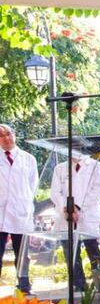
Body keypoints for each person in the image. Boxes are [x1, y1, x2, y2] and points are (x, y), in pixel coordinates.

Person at [50, 154, 100, 292]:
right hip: (66, 215)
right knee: (70, 251)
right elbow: (55, 192)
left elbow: (97, 191)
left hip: (87, 214)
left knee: (93, 249)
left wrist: (78, 207)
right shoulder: (60, 168)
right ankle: (78, 284)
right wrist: (67, 208)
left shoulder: (96, 166)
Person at [0, 124, 39, 293]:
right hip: (1, 212)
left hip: (21, 212)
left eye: (8, 134)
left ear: (14, 135)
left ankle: (24, 285)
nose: (6, 138)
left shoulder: (28, 158)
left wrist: (24, 202)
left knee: (22, 253)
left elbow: (33, 184)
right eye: (1, 136)